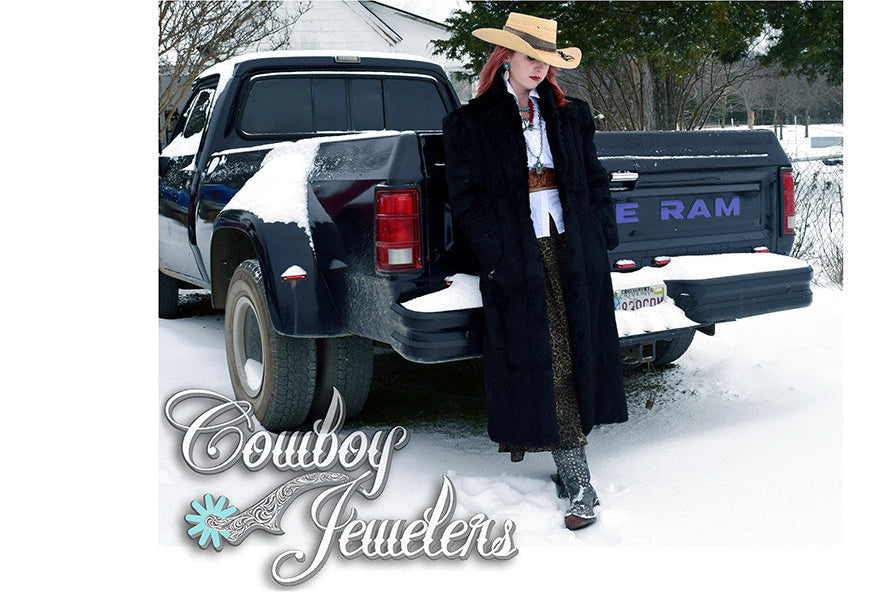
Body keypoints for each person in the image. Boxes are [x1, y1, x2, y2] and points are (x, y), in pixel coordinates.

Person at [442, 12, 628, 530]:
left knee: (578, 351)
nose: (540, 67)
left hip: (574, 251)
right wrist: (498, 254)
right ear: (505, 57)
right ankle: (579, 481)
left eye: (547, 59)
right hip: (520, 258)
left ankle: (570, 460)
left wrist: (599, 234)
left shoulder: (570, 115)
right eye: (530, 57)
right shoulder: (471, 122)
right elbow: (467, 199)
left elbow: (594, 178)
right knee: (551, 357)